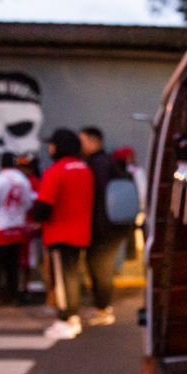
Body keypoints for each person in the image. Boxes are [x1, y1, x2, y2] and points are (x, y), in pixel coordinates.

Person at [31, 129, 94, 339]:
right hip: (81, 231)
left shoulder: (56, 171)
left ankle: (64, 319)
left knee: (61, 280)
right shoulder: (85, 169)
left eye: (52, 144)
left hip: (59, 231)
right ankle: (73, 317)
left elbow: (43, 206)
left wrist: (33, 215)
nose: (49, 148)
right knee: (72, 276)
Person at [79, 126, 132, 326]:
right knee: (101, 266)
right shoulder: (108, 161)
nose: (79, 144)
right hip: (114, 225)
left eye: (82, 140)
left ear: (93, 141)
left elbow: (97, 197)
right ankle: (101, 307)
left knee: (99, 267)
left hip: (103, 227)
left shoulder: (97, 164)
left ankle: (102, 310)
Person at [0, 152, 35, 304]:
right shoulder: (23, 180)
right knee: (13, 266)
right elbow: (28, 203)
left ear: (0, 164)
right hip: (16, 227)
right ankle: (12, 296)